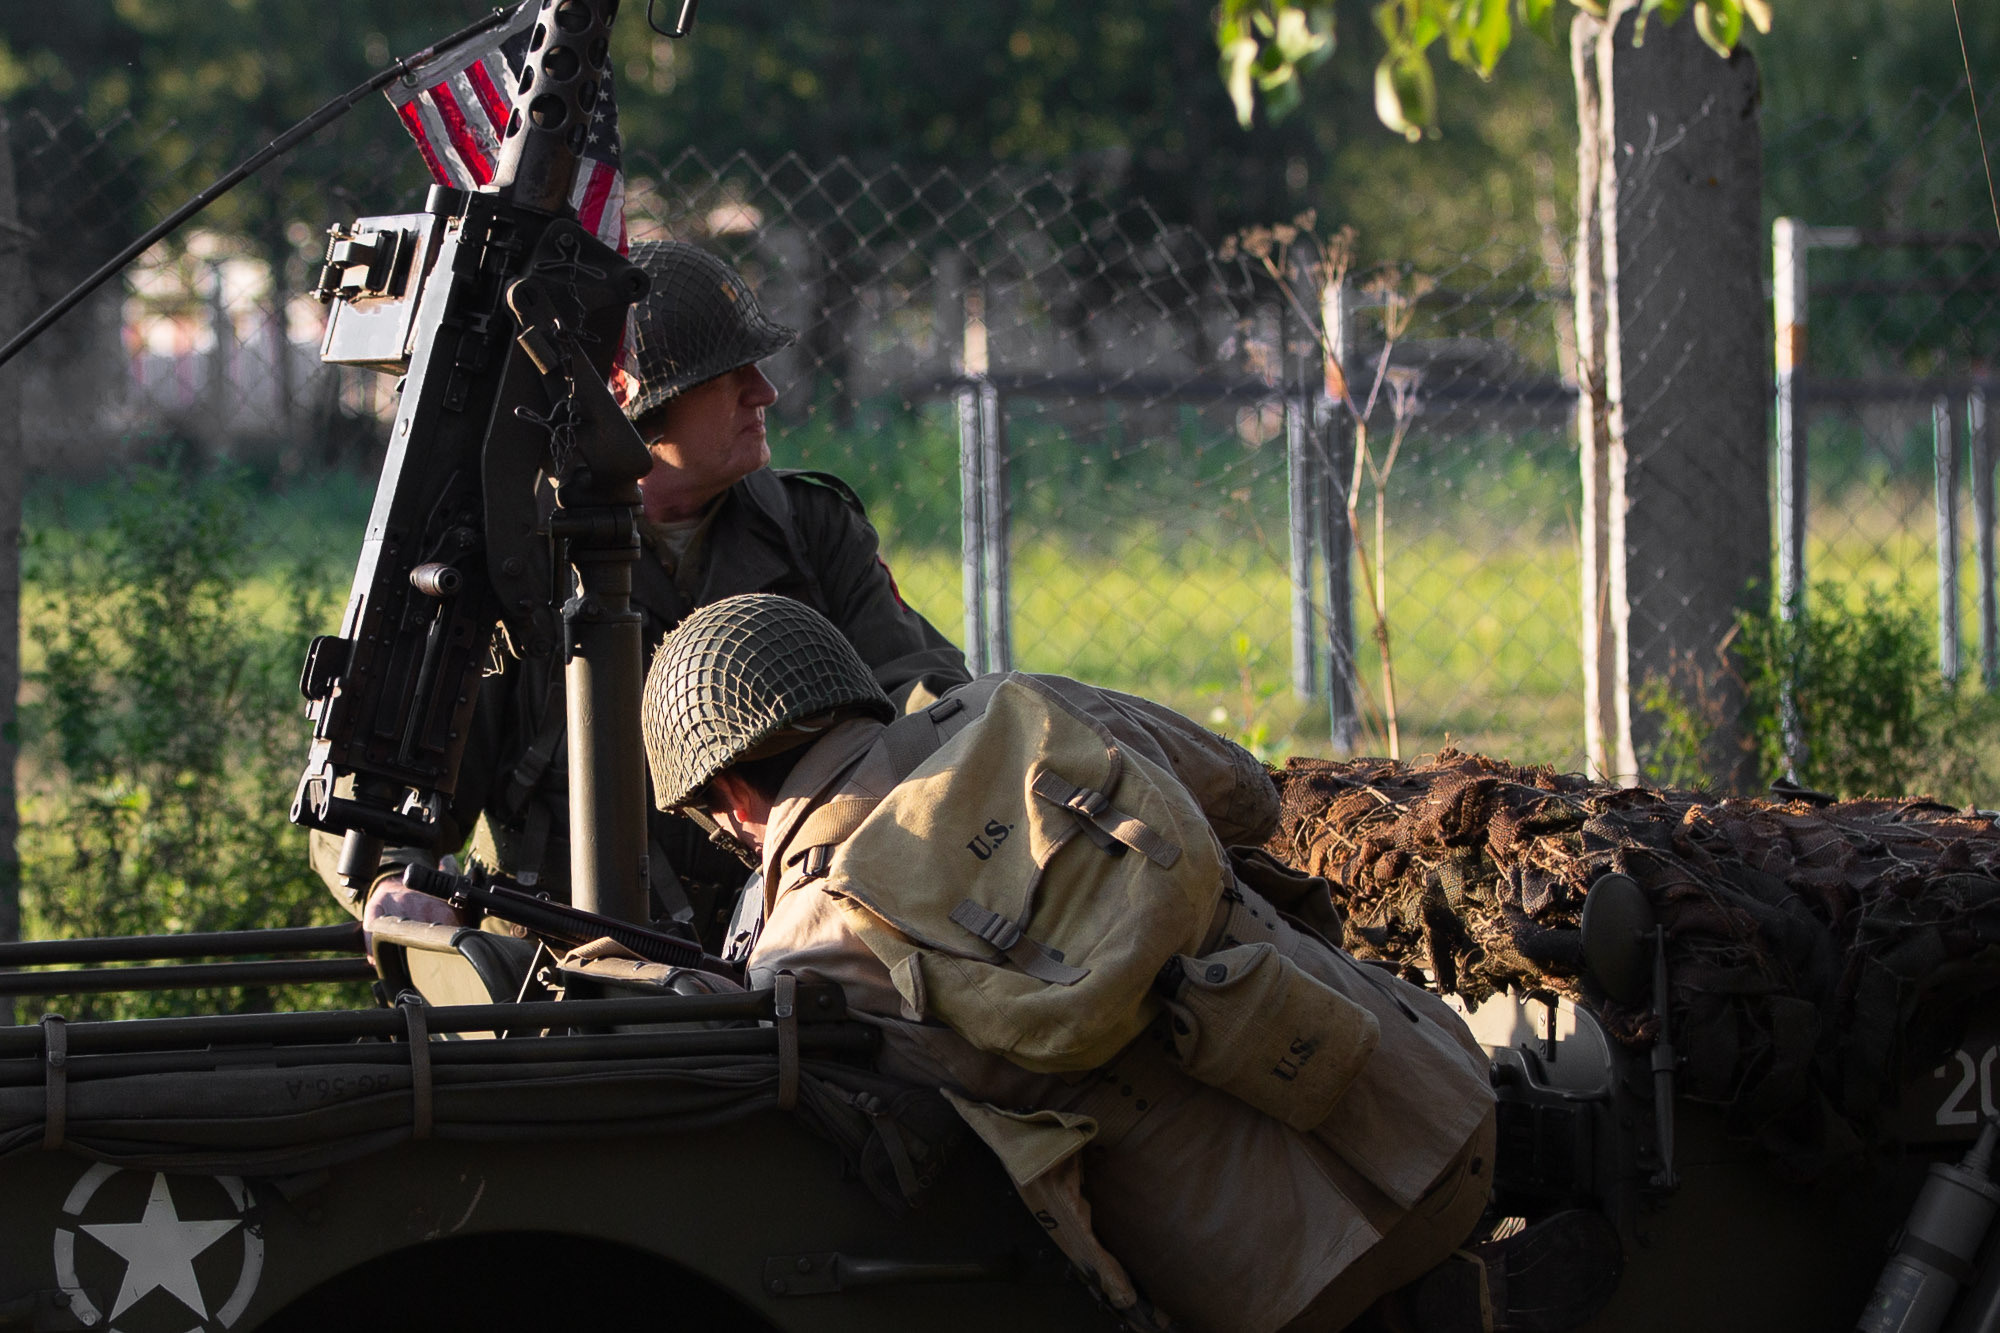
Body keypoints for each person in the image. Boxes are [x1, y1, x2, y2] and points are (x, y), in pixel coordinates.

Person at [638, 593, 1502, 1333]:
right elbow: (1251, 796)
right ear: (847, 686)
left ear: (732, 803)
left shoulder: (800, 954)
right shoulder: (1029, 704)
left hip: (1280, 1293)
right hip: (1449, 1120)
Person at [312, 241, 970, 949]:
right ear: (627, 397)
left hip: (798, 953)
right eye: (728, 374)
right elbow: (379, 796)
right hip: (569, 981)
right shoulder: (512, 564)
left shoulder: (811, 531)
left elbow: (923, 695)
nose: (765, 393)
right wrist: (395, 881)